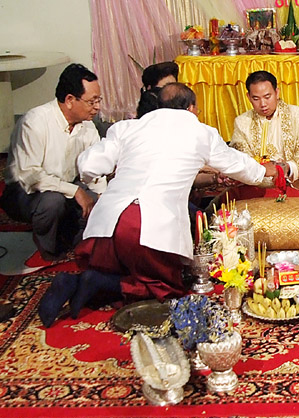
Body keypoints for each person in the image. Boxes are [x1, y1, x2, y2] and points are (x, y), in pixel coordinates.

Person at [37, 83, 277, 328]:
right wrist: (265, 171)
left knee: (122, 267)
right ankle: (92, 282)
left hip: (107, 222)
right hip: (149, 225)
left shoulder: (127, 127)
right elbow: (238, 165)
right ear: (191, 108)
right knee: (166, 289)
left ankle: (90, 279)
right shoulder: (201, 132)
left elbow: (89, 165)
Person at [0, 63, 105, 261]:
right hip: (26, 191)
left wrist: (102, 198)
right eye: (92, 101)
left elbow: (95, 168)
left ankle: (71, 236)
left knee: (99, 203)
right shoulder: (35, 121)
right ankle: (48, 252)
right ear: (70, 100)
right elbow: (31, 176)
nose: (97, 107)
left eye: (99, 100)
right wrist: (75, 191)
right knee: (52, 202)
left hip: (66, 186)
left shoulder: (88, 127)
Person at [230, 70, 299, 197]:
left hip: (293, 186)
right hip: (257, 189)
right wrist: (263, 170)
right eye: (256, 99)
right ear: (248, 97)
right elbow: (241, 158)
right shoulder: (242, 122)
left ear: (277, 93)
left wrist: (288, 168)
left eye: (267, 97)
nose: (263, 104)